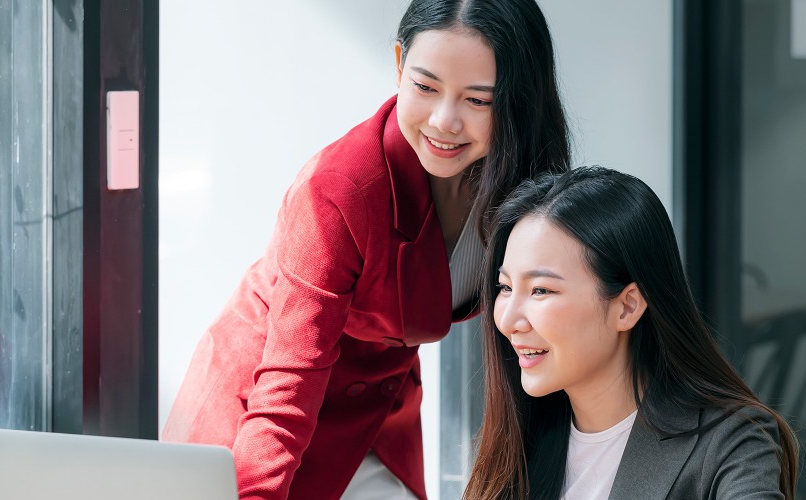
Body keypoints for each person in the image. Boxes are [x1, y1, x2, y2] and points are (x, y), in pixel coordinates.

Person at [161, 0, 570, 498]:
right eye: (424, 87)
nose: (444, 121)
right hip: (263, 405)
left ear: (518, 99)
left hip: (375, 416)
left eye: (478, 100)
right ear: (399, 64)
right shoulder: (340, 188)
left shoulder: (520, 183)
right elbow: (287, 387)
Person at [464, 166, 800, 499]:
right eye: (505, 287)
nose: (508, 320)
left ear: (627, 306)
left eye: (540, 290)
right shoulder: (516, 444)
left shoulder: (730, 444)